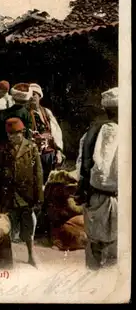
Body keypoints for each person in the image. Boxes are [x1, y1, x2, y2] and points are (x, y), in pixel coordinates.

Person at [74, 87, 118, 270]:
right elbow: (103, 171)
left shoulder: (90, 132)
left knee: (95, 249)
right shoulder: (114, 132)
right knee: (111, 252)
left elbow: (80, 167)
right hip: (109, 198)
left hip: (94, 198)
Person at [0, 117, 43, 267]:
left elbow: (38, 174)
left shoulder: (31, 148)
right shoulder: (2, 149)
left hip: (26, 196)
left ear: (23, 133)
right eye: (10, 135)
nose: (12, 137)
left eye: (16, 134)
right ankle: (9, 257)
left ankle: (31, 254)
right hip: (8, 196)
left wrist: (38, 197)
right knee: (7, 227)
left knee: (28, 226)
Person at [28, 83, 64, 182]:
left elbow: (56, 132)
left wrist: (59, 152)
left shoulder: (46, 112)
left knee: (49, 181)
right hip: (33, 154)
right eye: (30, 94)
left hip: (48, 153)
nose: (32, 97)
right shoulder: (25, 113)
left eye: (34, 94)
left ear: (39, 96)